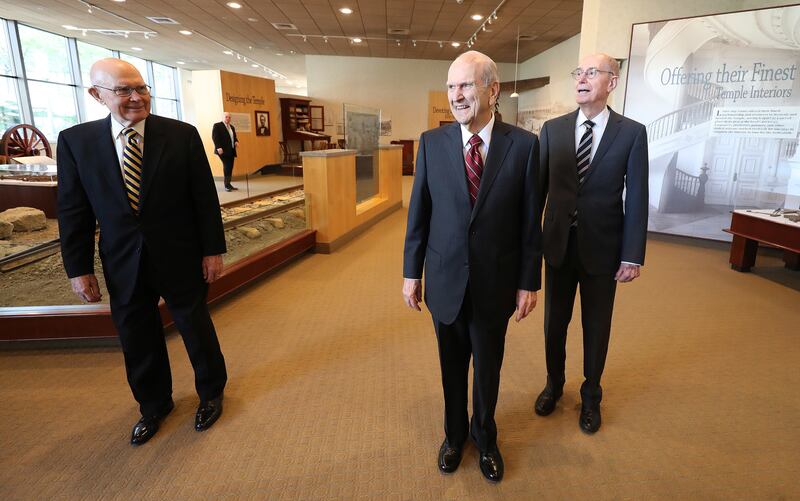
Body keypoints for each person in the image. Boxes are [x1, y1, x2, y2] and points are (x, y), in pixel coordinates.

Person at [57, 58, 228, 446]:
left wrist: (212, 250)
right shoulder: (76, 142)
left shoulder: (181, 135)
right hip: (122, 260)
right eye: (124, 90)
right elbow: (72, 211)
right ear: (97, 94)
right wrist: (78, 269)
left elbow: (204, 199)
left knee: (195, 327)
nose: (137, 97)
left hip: (180, 254)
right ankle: (154, 405)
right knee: (136, 335)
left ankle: (211, 393)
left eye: (141, 87)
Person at [402, 51, 541, 483]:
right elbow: (419, 214)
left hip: (495, 283)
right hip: (445, 281)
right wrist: (411, 273)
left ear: (492, 90)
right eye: (451, 86)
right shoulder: (432, 143)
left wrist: (528, 283)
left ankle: (485, 436)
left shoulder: (524, 146)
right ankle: (454, 435)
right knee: (451, 368)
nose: (456, 95)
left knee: (488, 369)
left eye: (465, 85)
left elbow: (529, 223)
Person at [533, 53, 648, 434]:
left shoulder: (631, 133)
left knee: (596, 327)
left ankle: (591, 395)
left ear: (611, 82)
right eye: (578, 72)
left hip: (604, 249)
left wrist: (632, 254)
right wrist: (530, 245)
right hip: (558, 247)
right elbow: (537, 193)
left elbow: (637, 198)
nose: (581, 79)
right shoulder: (552, 130)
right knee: (554, 325)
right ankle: (553, 385)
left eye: (592, 73)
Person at [212, 112, 239, 191]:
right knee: (227, 166)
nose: (228, 118)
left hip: (231, 150)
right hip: (222, 151)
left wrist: (236, 141)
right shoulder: (217, 125)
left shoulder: (232, 127)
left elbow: (234, 137)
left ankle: (229, 184)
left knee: (230, 167)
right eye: (226, 117)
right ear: (223, 117)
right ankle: (226, 185)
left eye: (229, 117)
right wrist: (218, 147)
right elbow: (215, 137)